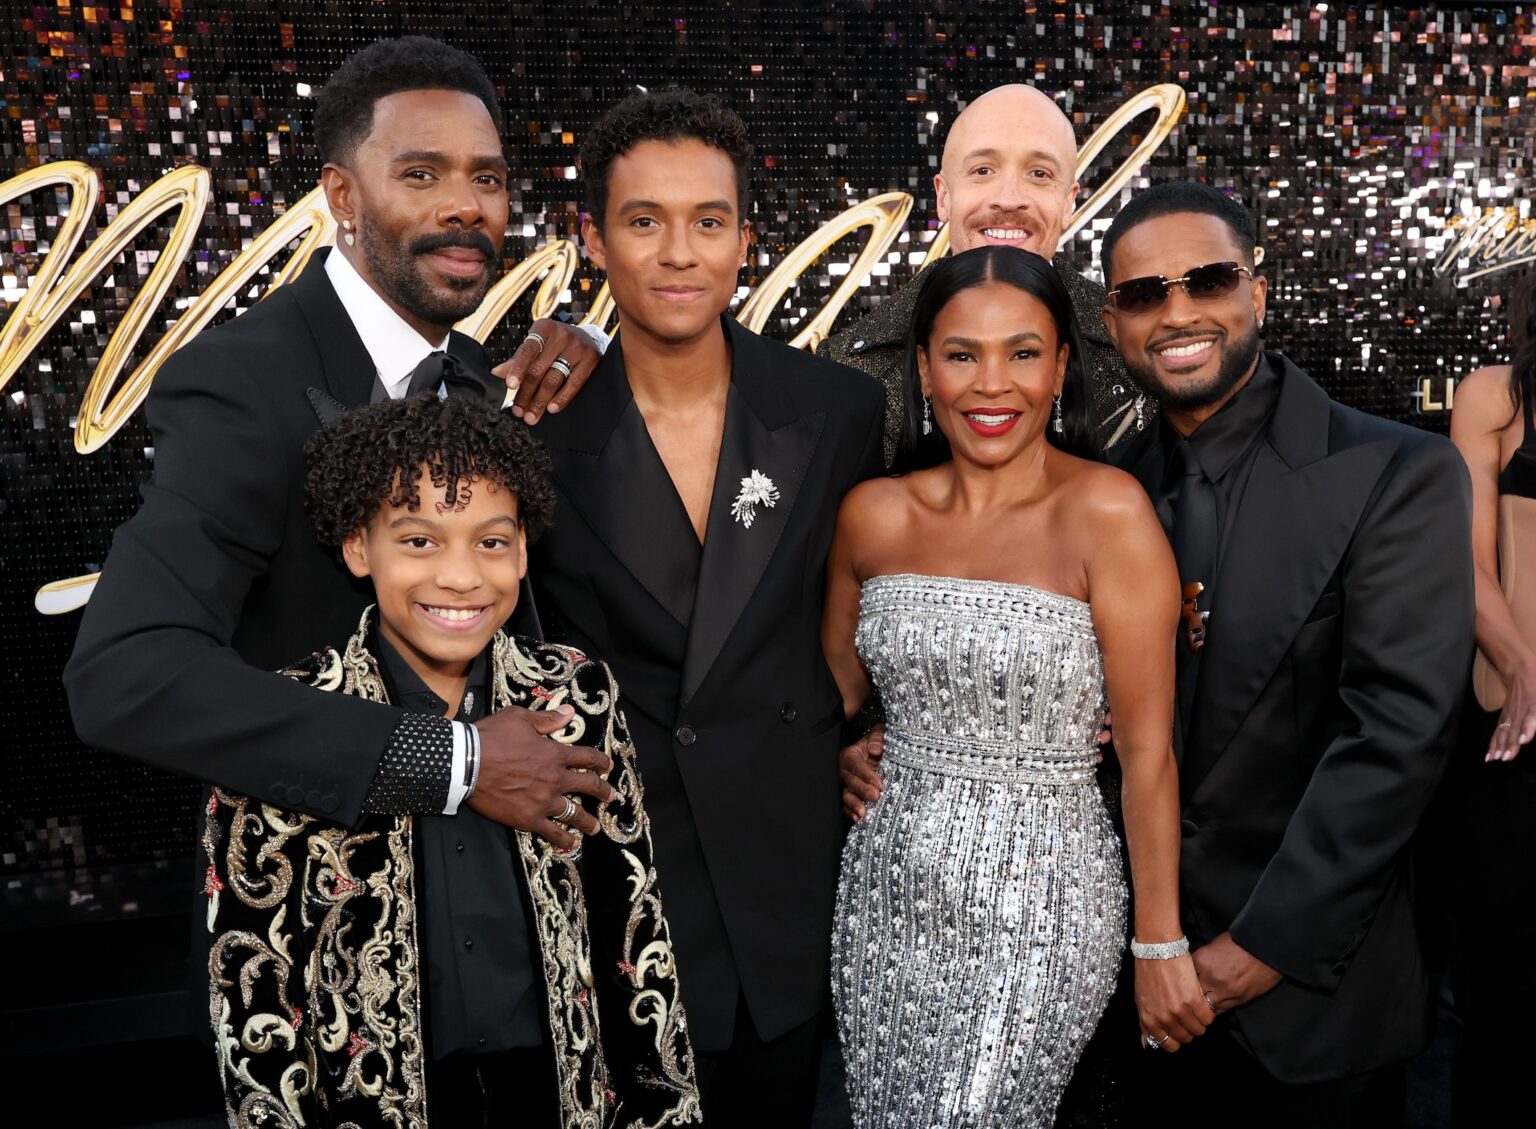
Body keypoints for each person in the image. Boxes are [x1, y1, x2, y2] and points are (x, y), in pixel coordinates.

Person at [62, 34, 610, 1076]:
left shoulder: (494, 387)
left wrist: (605, 344)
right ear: (340, 198)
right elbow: (126, 675)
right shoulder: (244, 382)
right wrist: (451, 764)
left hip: (527, 971)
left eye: (486, 179)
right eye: (421, 174)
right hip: (331, 974)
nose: (465, 206)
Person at [527, 89, 885, 1126]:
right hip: (620, 878)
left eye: (709, 221)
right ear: (594, 239)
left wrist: (869, 734)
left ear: (746, 239)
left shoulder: (837, 411)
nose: (679, 252)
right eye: (645, 221)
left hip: (790, 870)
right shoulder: (534, 430)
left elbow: (886, 598)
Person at [205, 390, 698, 1126]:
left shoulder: (578, 695)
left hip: (559, 1098)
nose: (461, 576)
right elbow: (254, 993)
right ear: (357, 546)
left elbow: (635, 932)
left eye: (491, 541)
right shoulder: (297, 715)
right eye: (419, 541)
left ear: (524, 549)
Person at [1101, 181, 1473, 1125]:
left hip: (1312, 1002)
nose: (1177, 311)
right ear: (1112, 322)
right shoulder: (1102, 494)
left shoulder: (1398, 471)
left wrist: (1256, 949)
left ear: (1257, 294)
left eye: (1208, 279)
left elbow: (1397, 734)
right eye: (1145, 293)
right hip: (1129, 1007)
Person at [824, 245, 1207, 1126]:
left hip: (1043, 905)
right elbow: (825, 697)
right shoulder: (872, 514)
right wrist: (843, 751)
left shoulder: (1107, 512)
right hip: (888, 896)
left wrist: (1160, 940)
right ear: (923, 367)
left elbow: (1148, 755)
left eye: (1023, 353)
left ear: (1063, 365)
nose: (991, 385)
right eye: (962, 354)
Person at [820, 83, 1143, 465]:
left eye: (1039, 173)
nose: (1008, 198)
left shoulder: (1134, 348)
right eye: (982, 170)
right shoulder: (845, 366)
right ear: (943, 196)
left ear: (1068, 201)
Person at [1446, 271, 1536, 1127]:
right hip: (1519, 720)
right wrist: (1523, 665)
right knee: (1506, 993)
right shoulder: (1496, 398)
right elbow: (1466, 563)